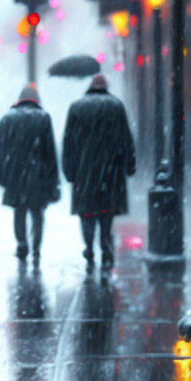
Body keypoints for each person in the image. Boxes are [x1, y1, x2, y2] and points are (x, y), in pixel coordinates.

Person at [62, 74, 136, 275]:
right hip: (110, 172)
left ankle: (88, 247)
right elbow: (126, 139)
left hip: (84, 172)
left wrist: (69, 171)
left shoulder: (76, 107)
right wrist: (129, 165)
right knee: (106, 212)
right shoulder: (116, 106)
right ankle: (105, 245)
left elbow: (68, 142)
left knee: (86, 213)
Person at [0, 82, 60, 267]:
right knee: (37, 213)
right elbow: (50, 153)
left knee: (19, 211)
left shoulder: (7, 119)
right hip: (38, 176)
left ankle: (22, 244)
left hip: (14, 175)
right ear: (36, 100)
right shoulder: (44, 118)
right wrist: (53, 180)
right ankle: (36, 249)